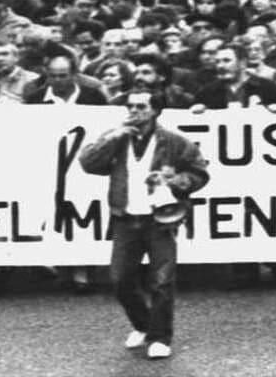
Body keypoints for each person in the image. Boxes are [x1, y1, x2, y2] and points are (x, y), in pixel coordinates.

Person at [77, 90, 211, 360]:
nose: (134, 111)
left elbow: (199, 172)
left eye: (141, 106)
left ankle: (160, 337)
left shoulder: (173, 141)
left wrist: (173, 181)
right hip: (125, 217)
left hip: (160, 219)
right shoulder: (118, 138)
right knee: (120, 279)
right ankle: (143, 324)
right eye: (130, 106)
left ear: (154, 111)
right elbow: (87, 162)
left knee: (162, 280)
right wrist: (113, 136)